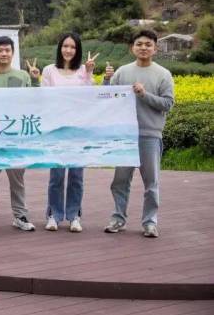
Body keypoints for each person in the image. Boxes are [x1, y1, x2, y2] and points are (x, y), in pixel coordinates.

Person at [103, 29, 173, 238]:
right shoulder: (122, 72)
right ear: (132, 48)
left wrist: (144, 94)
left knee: (151, 183)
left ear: (155, 49)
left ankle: (150, 222)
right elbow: (107, 98)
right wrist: (106, 80)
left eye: (148, 44)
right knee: (120, 182)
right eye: (139, 44)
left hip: (150, 135)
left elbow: (167, 104)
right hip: (124, 136)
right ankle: (118, 218)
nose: (143, 48)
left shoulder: (163, 74)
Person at [0, 36, 39, 232]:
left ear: (13, 53)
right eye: (0, 50)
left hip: (16, 136)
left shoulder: (23, 76)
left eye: (7, 50)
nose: (4, 53)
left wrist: (35, 80)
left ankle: (20, 216)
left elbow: (34, 101)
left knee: (17, 180)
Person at [40, 32, 98, 233]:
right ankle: (54, 215)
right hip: (56, 130)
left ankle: (74, 216)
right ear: (60, 48)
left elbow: (89, 97)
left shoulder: (83, 70)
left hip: (78, 130)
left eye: (73, 47)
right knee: (56, 176)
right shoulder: (49, 70)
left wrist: (89, 73)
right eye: (65, 46)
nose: (68, 50)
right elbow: (44, 98)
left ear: (77, 50)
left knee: (76, 176)